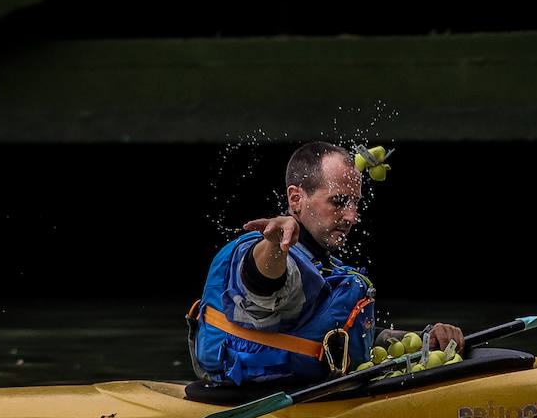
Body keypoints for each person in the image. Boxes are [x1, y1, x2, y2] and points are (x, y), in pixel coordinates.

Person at [190, 142, 464, 386]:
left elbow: (341, 338)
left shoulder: (325, 267)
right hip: (246, 398)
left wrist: (425, 338)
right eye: (338, 202)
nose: (352, 216)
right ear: (296, 199)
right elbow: (260, 285)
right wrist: (275, 245)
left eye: (355, 203)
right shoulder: (282, 255)